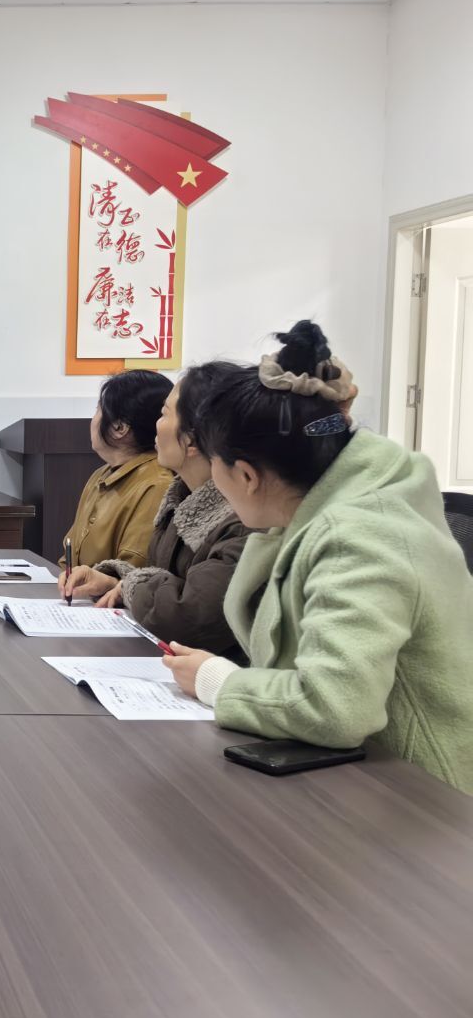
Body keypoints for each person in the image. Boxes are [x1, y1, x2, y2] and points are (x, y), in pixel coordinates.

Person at [162, 322, 473, 792]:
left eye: (215, 466)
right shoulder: (324, 507)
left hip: (420, 793)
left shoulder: (361, 536)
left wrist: (217, 681)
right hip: (356, 770)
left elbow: (335, 707)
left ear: (246, 475)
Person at [60, 362, 251, 658]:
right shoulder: (182, 497)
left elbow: (186, 614)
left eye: (164, 414)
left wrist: (131, 584)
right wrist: (116, 580)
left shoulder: (242, 519)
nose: (154, 427)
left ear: (191, 439)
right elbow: (160, 576)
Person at [62, 370, 173, 569]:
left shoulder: (157, 485)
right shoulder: (101, 475)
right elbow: (69, 554)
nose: (93, 420)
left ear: (119, 427)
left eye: (98, 410)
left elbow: (131, 570)